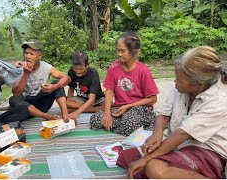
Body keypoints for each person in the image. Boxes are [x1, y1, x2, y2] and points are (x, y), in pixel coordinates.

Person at [127, 46, 227, 179]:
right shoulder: (180, 89)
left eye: (179, 80)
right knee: (127, 157)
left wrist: (146, 159)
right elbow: (164, 113)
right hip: (180, 146)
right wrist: (157, 133)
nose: (175, 82)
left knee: (153, 167)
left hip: (208, 151)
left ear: (199, 84)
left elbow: (182, 134)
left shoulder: (219, 101)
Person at [90, 31, 159, 136]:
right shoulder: (114, 67)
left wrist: (129, 106)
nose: (119, 54)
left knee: (129, 123)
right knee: (95, 119)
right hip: (119, 108)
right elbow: (109, 92)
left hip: (139, 108)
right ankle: (135, 127)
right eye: (118, 50)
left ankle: (140, 124)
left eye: (123, 51)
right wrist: (107, 113)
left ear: (133, 51)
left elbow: (153, 99)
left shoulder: (143, 70)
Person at [9, 39, 71, 122]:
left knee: (57, 84)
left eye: (31, 54)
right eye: (26, 53)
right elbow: (16, 93)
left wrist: (54, 87)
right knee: (13, 99)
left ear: (40, 56)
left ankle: (65, 115)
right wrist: (26, 74)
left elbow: (67, 78)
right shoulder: (20, 68)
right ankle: (45, 116)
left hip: (42, 103)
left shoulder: (46, 67)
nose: (27, 56)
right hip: (27, 106)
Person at [66, 50, 105, 120]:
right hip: (81, 99)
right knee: (65, 102)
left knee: (109, 105)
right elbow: (71, 88)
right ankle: (92, 109)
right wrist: (69, 101)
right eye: (75, 68)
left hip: (96, 99)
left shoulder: (93, 74)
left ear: (87, 66)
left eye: (81, 69)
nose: (78, 71)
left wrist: (76, 113)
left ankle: (83, 109)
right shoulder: (71, 71)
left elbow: (92, 99)